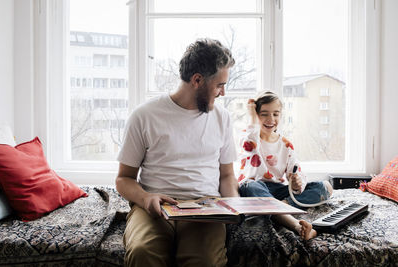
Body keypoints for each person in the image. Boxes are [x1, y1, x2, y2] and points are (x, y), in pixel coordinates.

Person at [116, 38, 239, 267]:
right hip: (155, 206)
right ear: (197, 80)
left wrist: (233, 205)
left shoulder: (223, 118)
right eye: (220, 85)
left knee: (205, 261)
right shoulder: (144, 116)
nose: (223, 92)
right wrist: (145, 198)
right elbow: (124, 178)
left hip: (205, 206)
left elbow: (226, 175)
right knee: (142, 252)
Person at [237, 91, 333, 240]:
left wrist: (296, 183)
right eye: (264, 114)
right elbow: (248, 136)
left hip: (277, 191)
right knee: (249, 185)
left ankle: (277, 208)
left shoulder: (286, 145)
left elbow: (296, 171)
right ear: (256, 116)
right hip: (256, 188)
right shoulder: (251, 139)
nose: (271, 119)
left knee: (325, 187)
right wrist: (251, 117)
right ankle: (295, 225)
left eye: (276, 114)